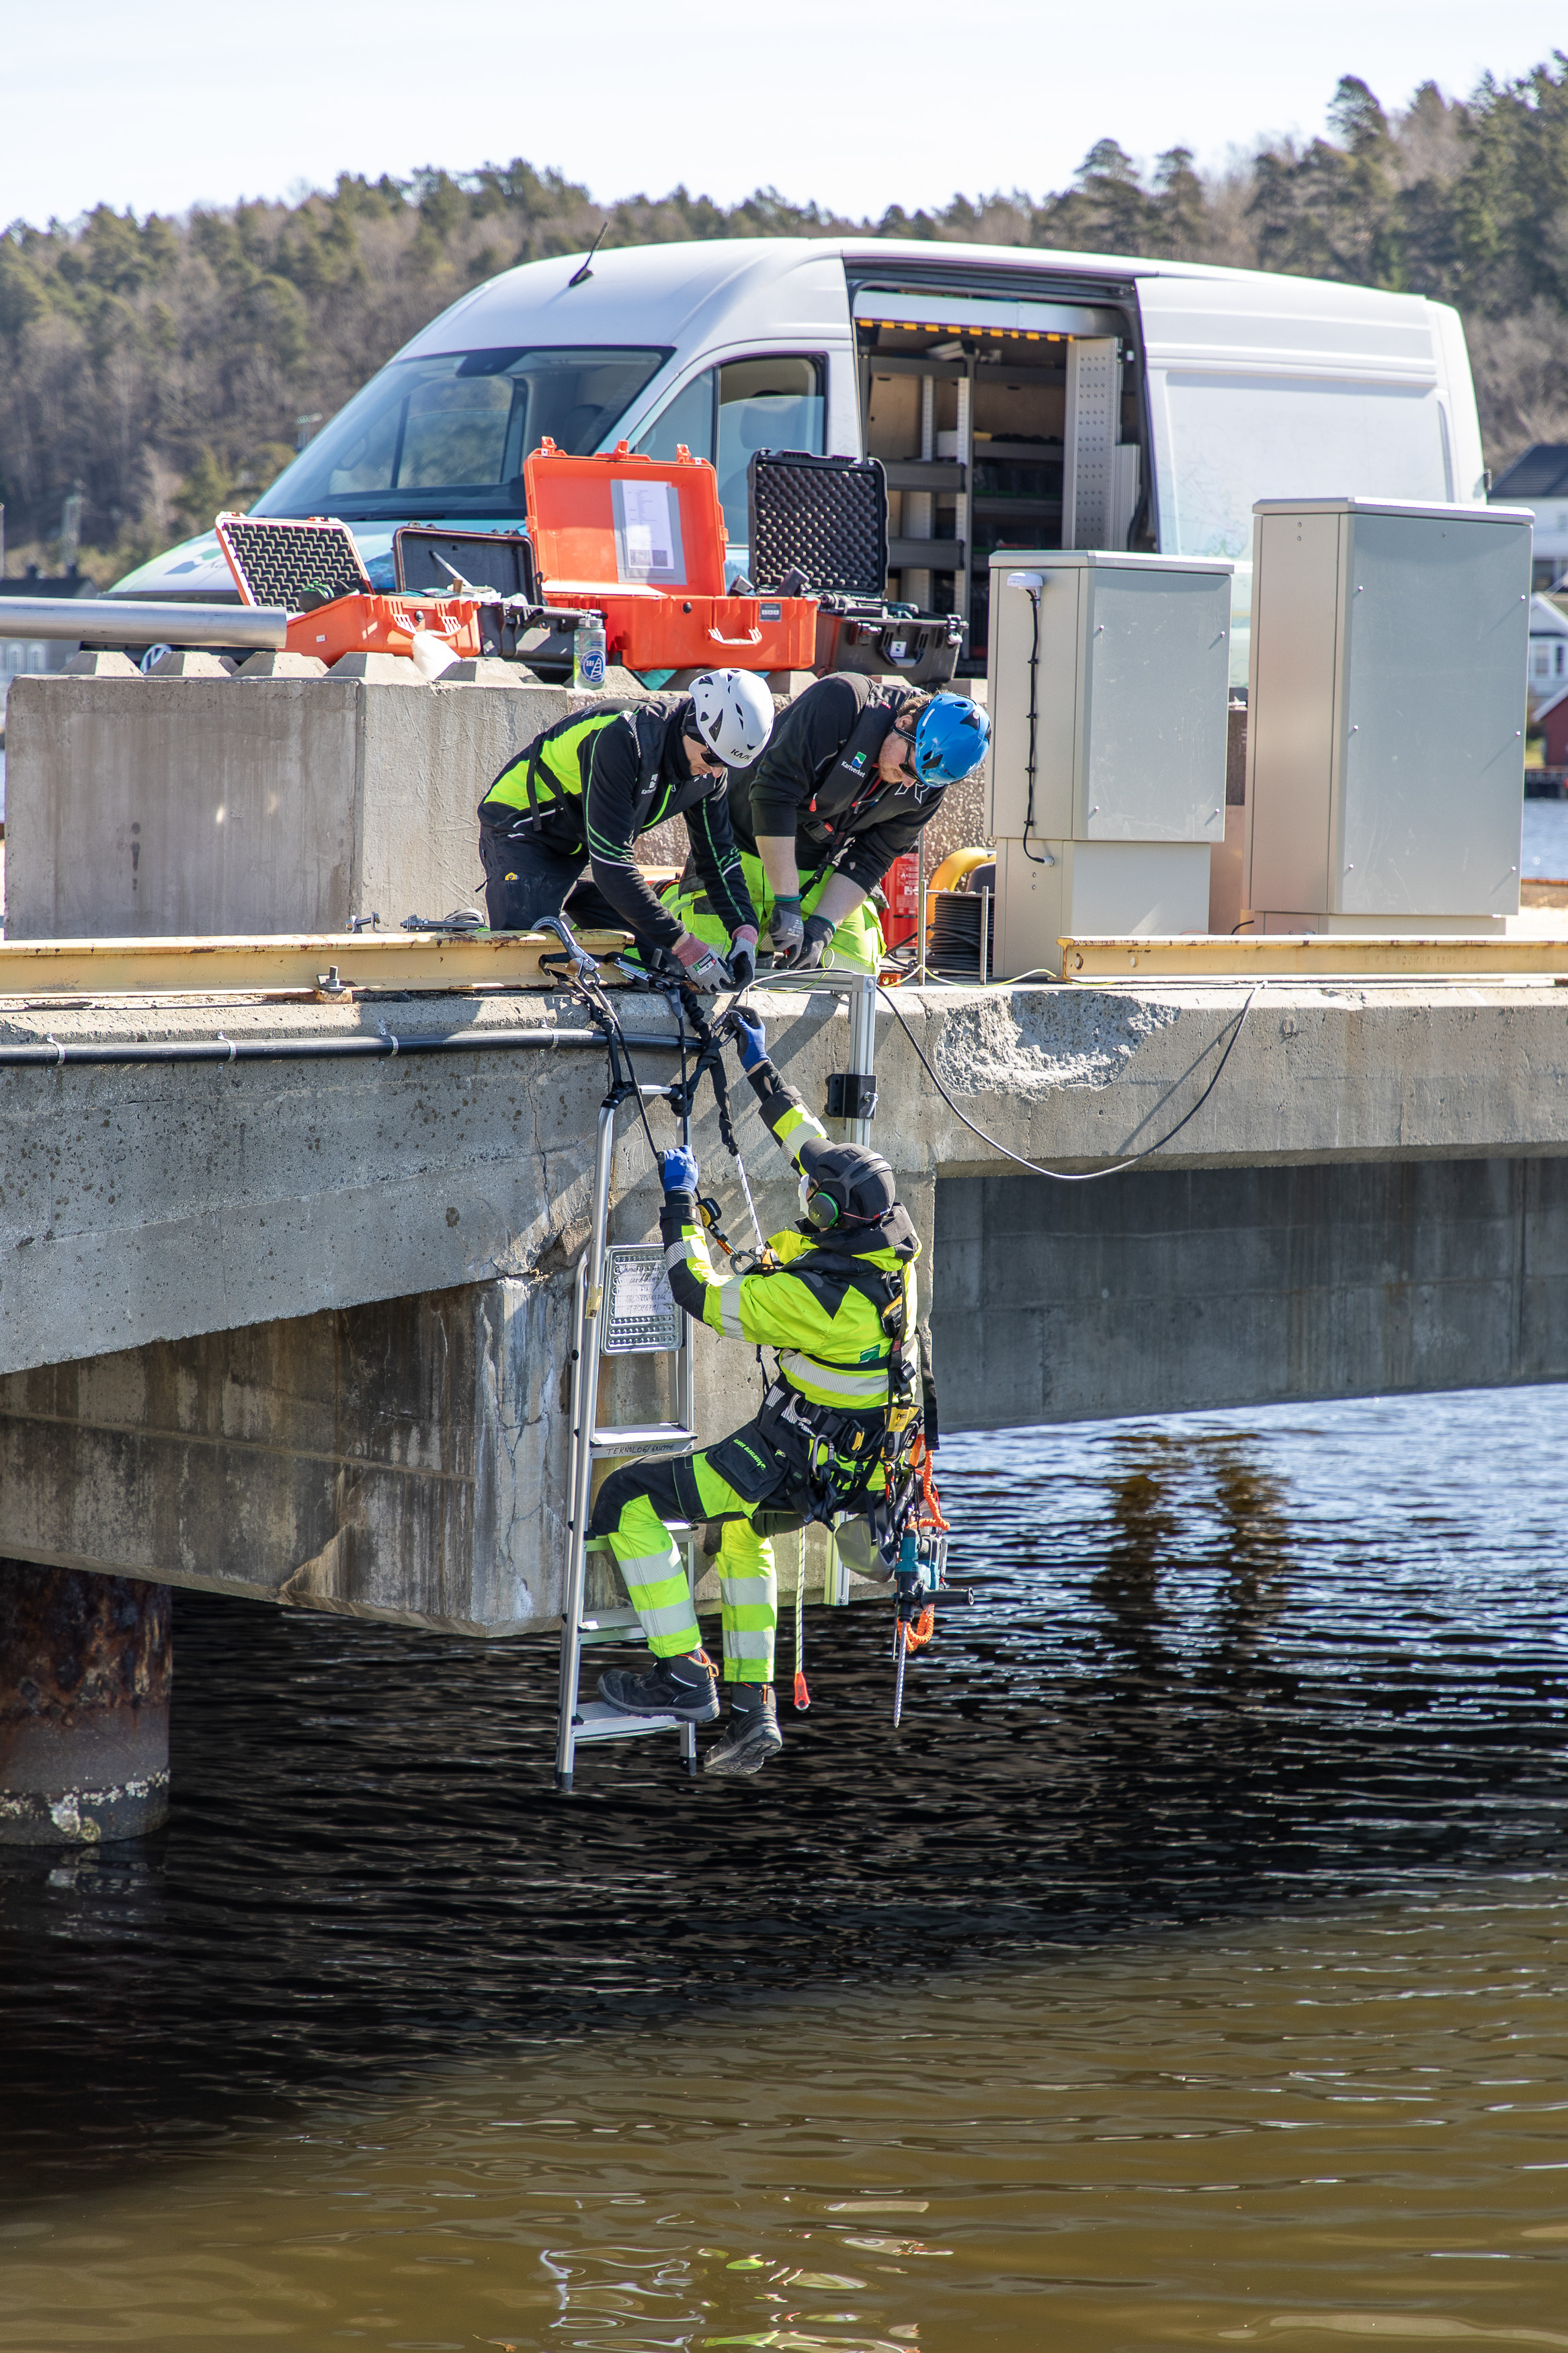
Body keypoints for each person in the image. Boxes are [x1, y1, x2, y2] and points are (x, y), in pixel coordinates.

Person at [588, 1004, 937, 1777]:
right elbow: (811, 1147)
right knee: (745, 1534)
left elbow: (699, 1292)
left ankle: (680, 1672)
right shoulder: (891, 1250)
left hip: (785, 1453)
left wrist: (679, 1206)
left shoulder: (810, 1298)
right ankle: (752, 1712)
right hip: (848, 1464)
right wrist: (759, 1068)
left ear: (826, 1216)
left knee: (627, 1503)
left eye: (814, 1199)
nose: (804, 1196)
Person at [663, 675, 991, 974]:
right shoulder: (842, 701)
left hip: (814, 866)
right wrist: (787, 904)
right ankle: (669, 904)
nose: (907, 782)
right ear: (905, 723)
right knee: (709, 961)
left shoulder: (929, 781)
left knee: (856, 964)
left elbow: (874, 856)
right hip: (741, 848)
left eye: (919, 779)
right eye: (908, 767)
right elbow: (773, 797)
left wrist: (823, 927)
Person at [477, 668, 775, 986]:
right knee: (530, 964)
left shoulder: (709, 772)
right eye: (713, 758)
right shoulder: (623, 738)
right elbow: (614, 867)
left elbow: (718, 859)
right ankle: (486, 926)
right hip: (523, 828)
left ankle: (563, 908)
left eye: (728, 765)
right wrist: (686, 945)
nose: (716, 773)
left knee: (663, 964)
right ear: (693, 724)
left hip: (587, 843)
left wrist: (745, 931)